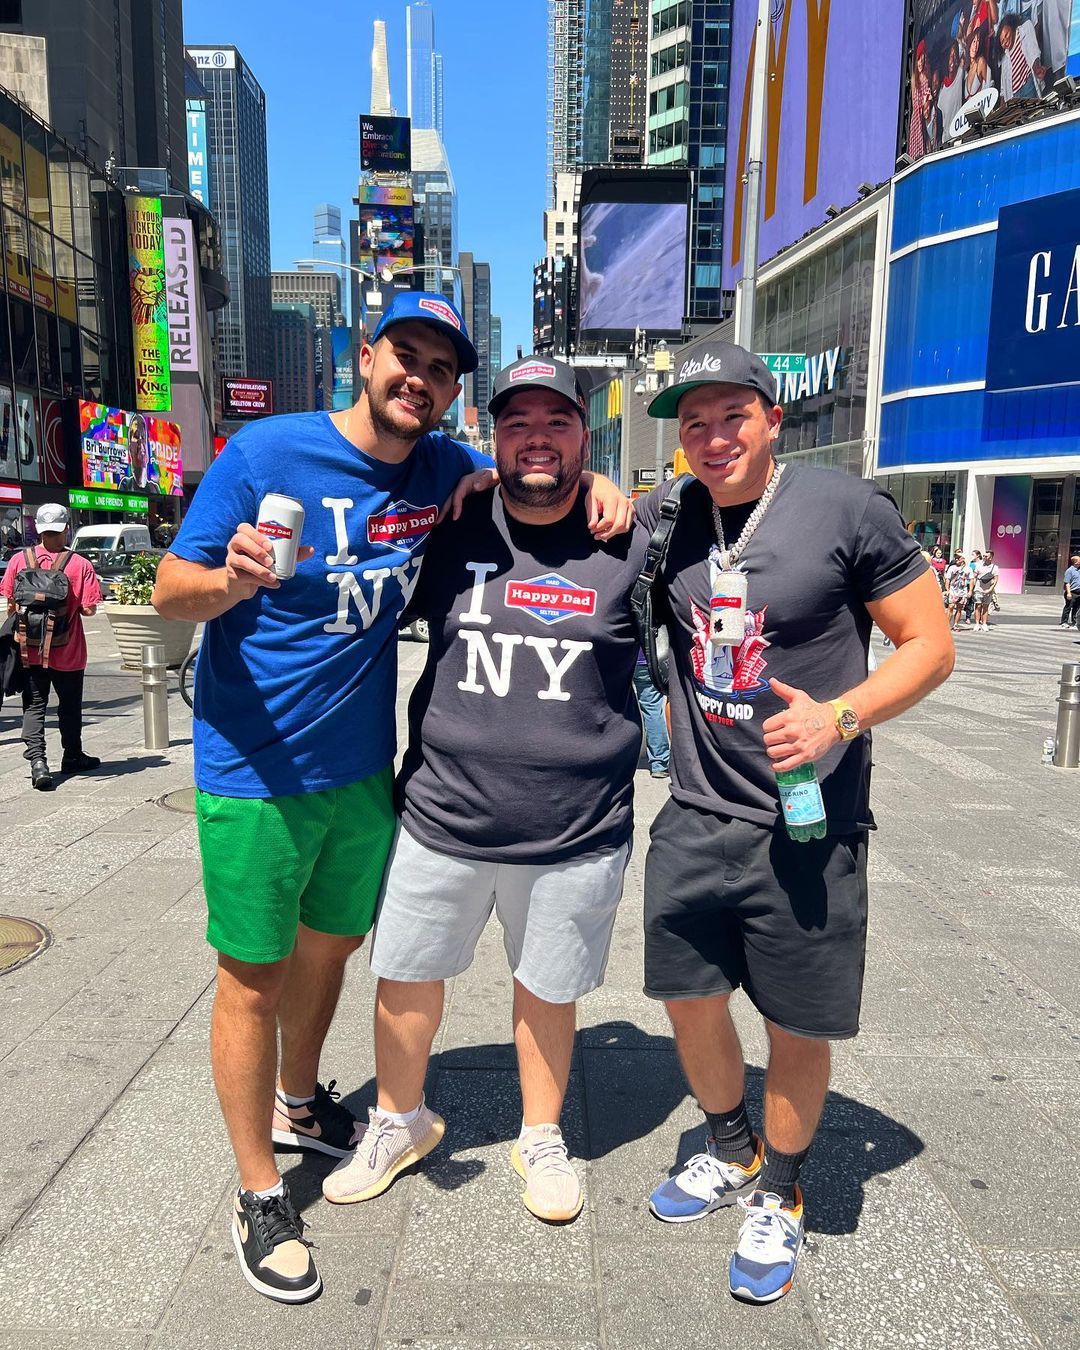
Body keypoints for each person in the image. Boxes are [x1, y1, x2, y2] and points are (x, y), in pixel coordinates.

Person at [152, 297, 631, 1305]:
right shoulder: (266, 451)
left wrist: (602, 481)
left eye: (441, 369)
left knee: (330, 952)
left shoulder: (442, 466)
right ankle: (259, 1191)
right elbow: (168, 587)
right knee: (251, 975)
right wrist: (228, 582)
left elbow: (535, 464)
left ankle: (299, 1102)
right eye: (404, 356)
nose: (419, 377)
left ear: (454, 392)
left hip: (367, 772)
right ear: (364, 357)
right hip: (256, 771)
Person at [635, 338, 953, 1305]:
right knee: (688, 998)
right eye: (694, 422)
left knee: (794, 1020)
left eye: (732, 416)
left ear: (773, 420)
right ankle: (730, 1143)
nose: (713, 436)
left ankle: (781, 1187)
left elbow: (930, 644)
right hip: (696, 810)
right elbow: (577, 508)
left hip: (808, 826)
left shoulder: (846, 508)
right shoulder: (670, 514)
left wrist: (838, 717)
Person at [322, 355, 645, 1226]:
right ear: (492, 439)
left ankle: (540, 1134)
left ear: (585, 436)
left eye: (557, 423)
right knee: (405, 972)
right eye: (517, 424)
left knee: (548, 985)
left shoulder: (628, 541)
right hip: (443, 810)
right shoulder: (453, 522)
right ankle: (398, 1121)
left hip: (576, 825)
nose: (537, 439)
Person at [1, 503, 102, 790]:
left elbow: (11, 604)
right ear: (66, 528)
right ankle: (72, 756)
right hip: (68, 650)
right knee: (69, 706)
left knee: (34, 705)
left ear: (39, 529)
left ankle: (38, 762)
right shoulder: (79, 564)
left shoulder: (19, 560)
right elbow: (89, 610)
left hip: (30, 651)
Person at [634, 649, 671, 777]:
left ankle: (616, 759)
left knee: (619, 709)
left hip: (620, 659)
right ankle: (659, 763)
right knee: (652, 709)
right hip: (647, 660)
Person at [997, 14, 1045, 99]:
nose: (1005, 41)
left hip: (1027, 84)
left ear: (1011, 28)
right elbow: (1003, 89)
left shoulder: (1024, 29)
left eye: (1006, 35)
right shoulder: (1005, 58)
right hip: (1014, 95)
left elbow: (1033, 51)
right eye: (1002, 42)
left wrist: (1037, 68)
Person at [117, 412, 161, 495]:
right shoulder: (125, 484)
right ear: (130, 449)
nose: (140, 441)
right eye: (136, 436)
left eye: (143, 437)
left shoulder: (155, 488)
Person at [972, 550, 999, 631]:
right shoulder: (979, 565)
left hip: (988, 589)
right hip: (978, 588)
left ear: (991, 558)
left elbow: (996, 579)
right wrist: (972, 588)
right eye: (983, 556)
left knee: (985, 607)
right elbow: (974, 577)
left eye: (986, 556)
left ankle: (984, 623)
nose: (984, 557)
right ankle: (977, 624)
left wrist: (990, 589)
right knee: (978, 606)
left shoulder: (995, 567)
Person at [945, 551, 973, 629]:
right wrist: (947, 589)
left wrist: (970, 591)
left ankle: (955, 624)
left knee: (959, 608)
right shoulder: (952, 567)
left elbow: (972, 580)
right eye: (956, 558)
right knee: (951, 606)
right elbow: (947, 579)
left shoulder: (968, 569)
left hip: (962, 591)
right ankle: (947, 624)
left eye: (958, 558)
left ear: (963, 559)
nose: (956, 559)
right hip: (953, 590)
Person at [1061, 553, 1080, 628]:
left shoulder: (1079, 570)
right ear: (1076, 562)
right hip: (1072, 592)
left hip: (1079, 592)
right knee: (1068, 607)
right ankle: (1064, 622)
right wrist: (1068, 593)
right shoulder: (1069, 571)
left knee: (1077, 608)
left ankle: (1074, 622)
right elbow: (1067, 583)